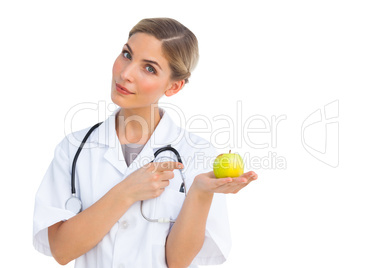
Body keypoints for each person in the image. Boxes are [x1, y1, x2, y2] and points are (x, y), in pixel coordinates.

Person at [33, 17, 258, 267]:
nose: (125, 73)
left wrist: (200, 193)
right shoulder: (74, 148)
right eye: (127, 54)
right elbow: (62, 251)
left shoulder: (196, 153)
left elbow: (178, 261)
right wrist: (126, 191)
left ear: (174, 87)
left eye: (149, 68)